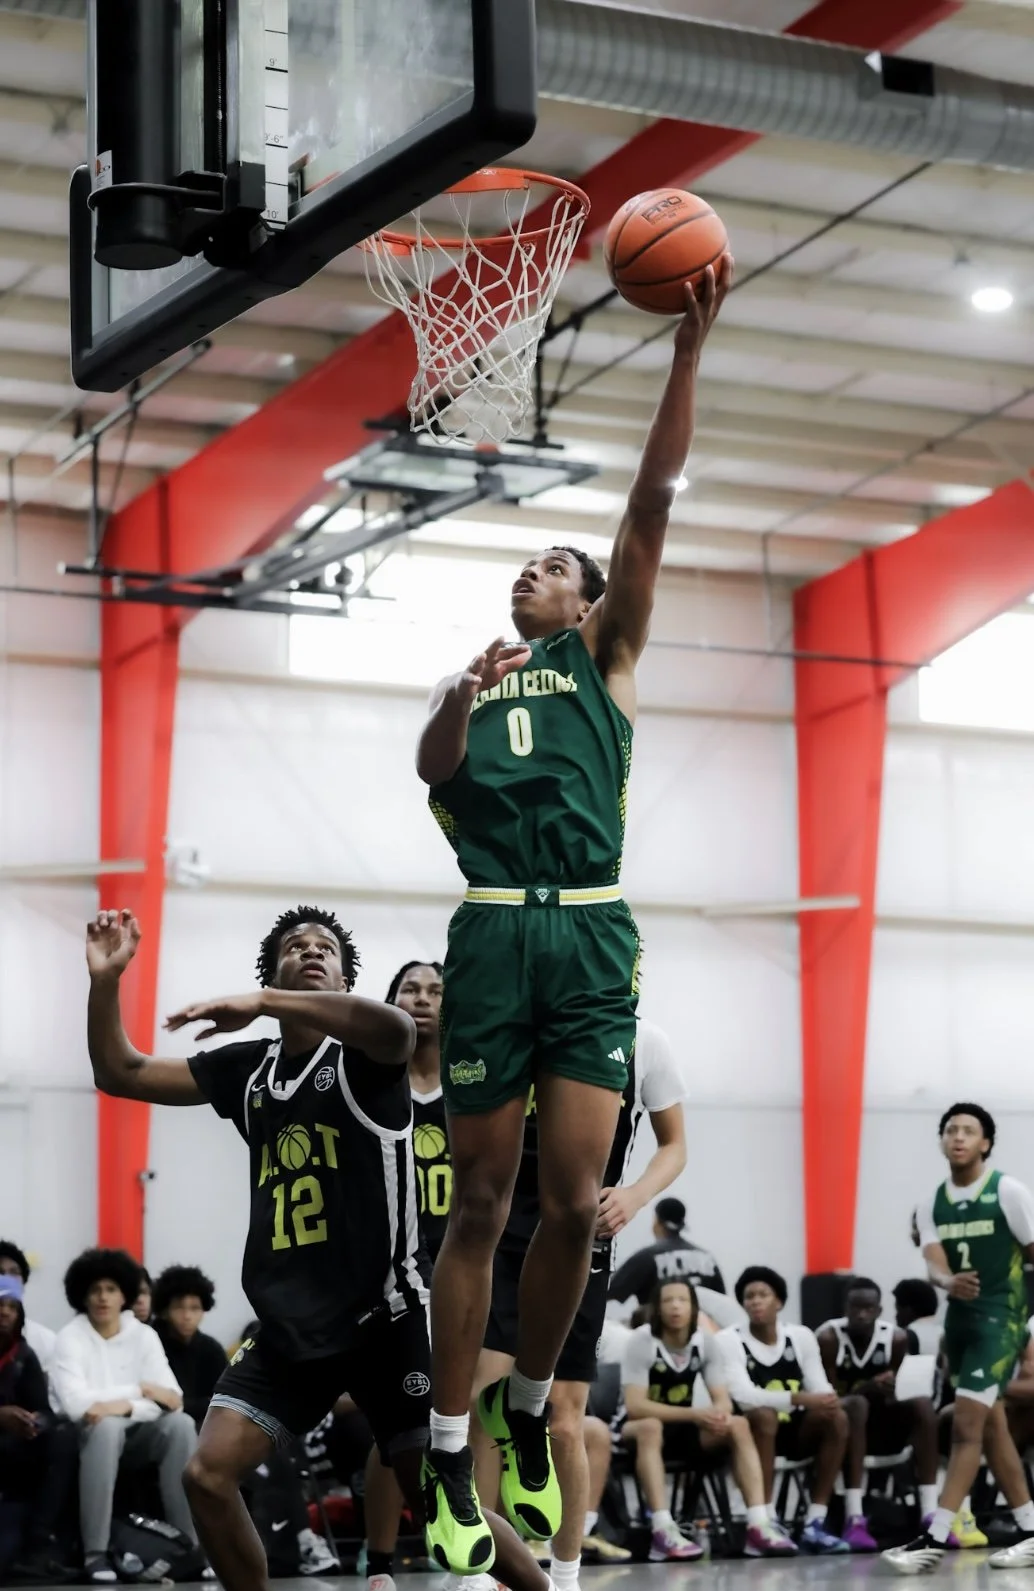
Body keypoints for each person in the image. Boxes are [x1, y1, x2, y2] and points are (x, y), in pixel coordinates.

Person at [416, 260, 733, 1574]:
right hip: (493, 926)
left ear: (589, 598)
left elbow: (650, 499)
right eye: (523, 562)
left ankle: (527, 1405)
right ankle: (448, 1450)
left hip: (590, 927)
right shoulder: (482, 684)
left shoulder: (603, 655)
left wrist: (684, 354)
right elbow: (430, 774)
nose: (528, 569)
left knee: (571, 1198)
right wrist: (452, 691)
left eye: (551, 563)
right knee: (478, 1201)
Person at [84, 904, 550, 1591]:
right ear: (270, 971)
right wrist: (104, 983)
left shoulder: (367, 1055)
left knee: (434, 1496)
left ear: (344, 978)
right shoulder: (251, 1071)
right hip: (290, 1326)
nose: (311, 951)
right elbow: (120, 1072)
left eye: (325, 947)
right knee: (206, 1475)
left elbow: (395, 1028)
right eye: (295, 946)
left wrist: (263, 1002)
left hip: (384, 1315)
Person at [472, 1018, 687, 1589]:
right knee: (484, 1403)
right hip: (503, 1236)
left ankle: (565, 1576)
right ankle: (479, 1572)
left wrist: (635, 1195)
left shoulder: (646, 1042)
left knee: (566, 1420)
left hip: (581, 1240)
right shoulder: (517, 1024)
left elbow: (675, 1145)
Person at [885, 1103, 1034, 1573]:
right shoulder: (932, 1202)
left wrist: (1023, 1312)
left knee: (966, 1427)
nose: (959, 1137)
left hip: (1001, 1321)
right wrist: (948, 1282)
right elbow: (933, 1263)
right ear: (942, 1141)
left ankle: (934, 1536)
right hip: (961, 1321)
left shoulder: (1007, 1191)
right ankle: (1031, 1530)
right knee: (991, 1426)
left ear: (985, 1143)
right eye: (951, 1130)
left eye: (969, 1130)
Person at [363, 960, 452, 1591]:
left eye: (435, 991)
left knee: (459, 1422)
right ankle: (379, 1563)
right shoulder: (372, 1080)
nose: (421, 1000)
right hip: (390, 1275)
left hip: (460, 1274)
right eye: (409, 990)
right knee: (396, 1426)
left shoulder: (472, 1090)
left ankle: (465, 1554)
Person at [50, 1246, 200, 1585]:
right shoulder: (70, 1338)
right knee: (106, 1427)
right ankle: (96, 1553)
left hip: (137, 1433)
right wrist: (140, 1391)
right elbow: (77, 1405)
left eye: (111, 1289)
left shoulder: (144, 1336)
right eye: (95, 1290)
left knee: (181, 1425)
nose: (103, 1297)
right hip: (84, 1436)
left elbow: (173, 1399)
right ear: (82, 1295)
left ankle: (189, 1549)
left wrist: (126, 1406)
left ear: (125, 1296)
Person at [618, 1279, 795, 1561]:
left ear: (694, 1308)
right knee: (651, 1426)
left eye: (682, 1300)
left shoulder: (704, 1341)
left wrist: (719, 1415)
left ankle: (758, 1523)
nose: (675, 1306)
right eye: (668, 1300)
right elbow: (636, 1407)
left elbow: (722, 1399)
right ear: (657, 1309)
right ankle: (663, 1529)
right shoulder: (643, 1340)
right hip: (633, 1431)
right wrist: (696, 1414)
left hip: (681, 1428)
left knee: (737, 1424)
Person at [719, 1266, 849, 1553]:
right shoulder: (729, 1339)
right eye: (749, 1296)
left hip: (795, 1433)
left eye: (763, 1294)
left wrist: (825, 1399)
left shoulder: (800, 1336)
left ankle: (816, 1520)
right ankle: (766, 1519)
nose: (755, 1301)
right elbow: (744, 1396)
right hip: (752, 1435)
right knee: (764, 1416)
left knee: (836, 1417)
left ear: (779, 1301)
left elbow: (820, 1388)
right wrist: (799, 1398)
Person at [817, 1277, 939, 1552]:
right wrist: (869, 1387)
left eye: (868, 1308)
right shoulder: (828, 1338)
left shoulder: (895, 1338)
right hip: (841, 1433)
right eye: (856, 1307)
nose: (861, 1314)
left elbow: (899, 1396)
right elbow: (828, 1399)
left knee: (921, 1404)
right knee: (857, 1405)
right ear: (845, 1308)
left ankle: (931, 1512)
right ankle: (854, 1516)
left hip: (883, 1429)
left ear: (879, 1311)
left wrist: (895, 1387)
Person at [0, 1271, 77, 1583]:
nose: (5, 1312)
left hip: (15, 1446)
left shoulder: (23, 1354)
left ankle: (40, 1541)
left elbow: (45, 1410)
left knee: (65, 1438)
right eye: (0, 1305)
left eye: (12, 1307)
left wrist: (34, 1423)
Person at [151, 1267, 228, 1432]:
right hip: (159, 1427)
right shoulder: (150, 1342)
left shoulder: (212, 1349)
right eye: (179, 1307)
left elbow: (225, 1401)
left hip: (206, 1428)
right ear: (164, 1311)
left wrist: (183, 1404)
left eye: (194, 1308)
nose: (187, 1316)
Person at [609, 1198, 726, 1307]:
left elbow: (609, 1292)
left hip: (657, 1322)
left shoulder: (647, 1257)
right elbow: (724, 1302)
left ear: (657, 1222)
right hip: (704, 1322)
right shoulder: (706, 1258)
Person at [893, 1278, 942, 1358]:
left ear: (908, 1310)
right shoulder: (946, 1331)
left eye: (898, 1310)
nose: (896, 1316)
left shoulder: (904, 1339)